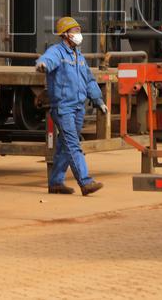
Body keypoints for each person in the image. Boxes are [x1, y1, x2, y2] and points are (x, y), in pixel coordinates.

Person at [35, 16, 107, 196]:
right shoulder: (57, 52)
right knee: (73, 144)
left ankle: (56, 183)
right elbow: (47, 59)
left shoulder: (79, 56)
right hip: (63, 107)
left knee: (64, 145)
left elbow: (89, 80)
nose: (78, 34)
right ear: (65, 34)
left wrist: (99, 101)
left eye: (78, 31)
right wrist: (42, 65)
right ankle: (85, 182)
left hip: (78, 108)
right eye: (75, 31)